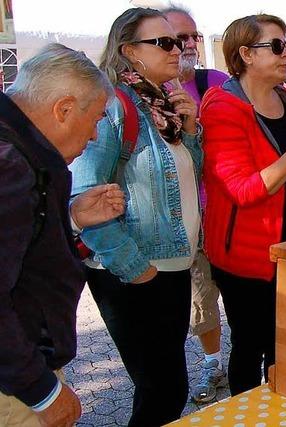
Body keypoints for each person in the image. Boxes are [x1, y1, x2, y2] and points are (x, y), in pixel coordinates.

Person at [70, 8, 202, 426]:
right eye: (163, 42)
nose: (177, 49)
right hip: (134, 271)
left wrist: (192, 128)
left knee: (165, 387)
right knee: (164, 388)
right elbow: (83, 192)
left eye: (178, 42)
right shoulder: (112, 105)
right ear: (129, 51)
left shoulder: (161, 105)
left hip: (173, 265)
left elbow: (188, 176)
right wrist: (133, 266)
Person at [0, 44, 124, 427]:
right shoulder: (11, 164)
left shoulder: (20, 154)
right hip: (15, 386)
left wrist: (69, 219)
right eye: (96, 118)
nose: (93, 135)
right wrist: (42, 391)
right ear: (64, 109)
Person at [199, 14, 286, 395]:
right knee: (251, 348)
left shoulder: (284, 96)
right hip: (250, 258)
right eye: (276, 45)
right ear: (245, 55)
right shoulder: (223, 108)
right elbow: (243, 190)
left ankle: (284, 409)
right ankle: (247, 414)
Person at [163, 5, 229, 404]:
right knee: (201, 298)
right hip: (185, 218)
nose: (186, 45)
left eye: (192, 37)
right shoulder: (143, 96)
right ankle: (214, 362)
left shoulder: (215, 82)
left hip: (227, 210)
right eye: (175, 38)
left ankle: (256, 361)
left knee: (244, 291)